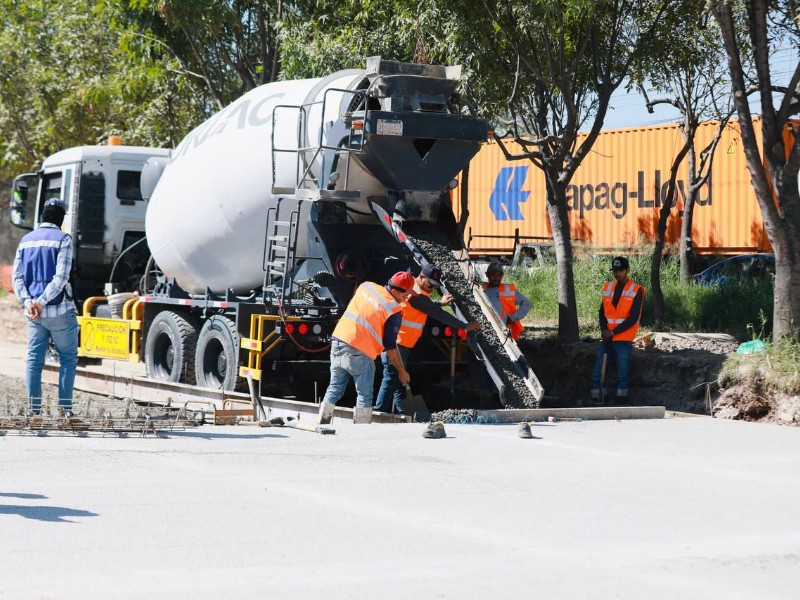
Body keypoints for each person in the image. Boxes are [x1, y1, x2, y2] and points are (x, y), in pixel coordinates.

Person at [374, 263, 480, 415]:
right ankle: (379, 412)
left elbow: (425, 306)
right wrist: (464, 326)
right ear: (421, 277)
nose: (432, 288)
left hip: (402, 343)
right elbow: (437, 313)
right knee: (391, 378)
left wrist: (439, 303)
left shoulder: (417, 292)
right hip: (398, 343)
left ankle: (402, 412)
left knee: (398, 380)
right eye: (430, 284)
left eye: (435, 286)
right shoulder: (415, 292)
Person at [318, 272, 415, 425]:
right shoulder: (393, 310)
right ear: (395, 291)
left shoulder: (366, 286)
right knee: (364, 395)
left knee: (334, 388)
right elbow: (390, 346)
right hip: (360, 351)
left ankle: (322, 421)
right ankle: (361, 430)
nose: (408, 297)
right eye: (406, 294)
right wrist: (401, 371)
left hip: (338, 342)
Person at [12, 198, 78, 414]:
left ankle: (34, 412)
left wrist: (29, 302)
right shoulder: (63, 239)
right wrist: (41, 302)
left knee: (34, 360)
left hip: (33, 314)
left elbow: (17, 278)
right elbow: (61, 277)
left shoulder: (26, 240)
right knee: (67, 359)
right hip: (59, 311)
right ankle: (65, 411)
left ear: (43, 215)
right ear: (60, 218)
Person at [590, 256, 645, 405]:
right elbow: (602, 312)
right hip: (608, 338)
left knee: (623, 373)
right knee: (598, 372)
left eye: (620, 270)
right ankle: (598, 398)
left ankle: (621, 400)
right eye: (615, 270)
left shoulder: (636, 290)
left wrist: (612, 332)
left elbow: (633, 318)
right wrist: (604, 330)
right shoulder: (608, 288)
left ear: (627, 270)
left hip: (623, 339)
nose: (617, 273)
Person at [483, 262, 531, 340]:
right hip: (483, 330)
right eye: (493, 274)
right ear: (487, 275)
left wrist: (513, 318)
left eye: (499, 275)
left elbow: (526, 303)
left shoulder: (508, 291)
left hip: (502, 332)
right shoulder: (481, 291)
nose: (496, 277)